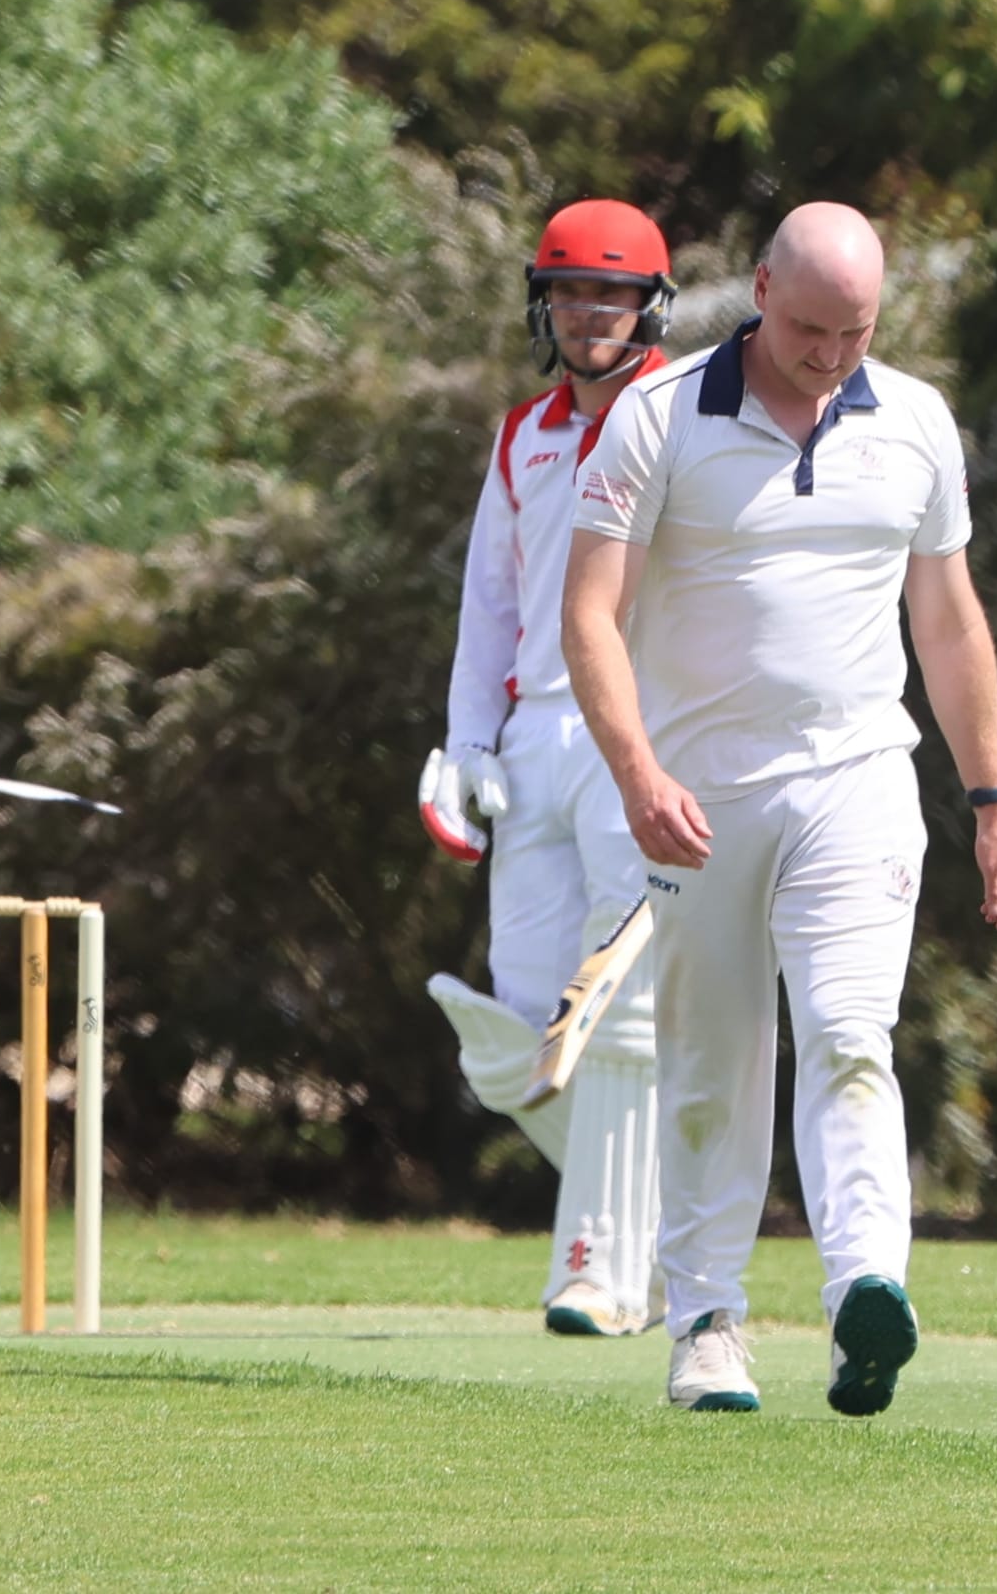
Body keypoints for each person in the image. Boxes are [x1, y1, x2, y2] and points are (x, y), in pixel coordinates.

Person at [560, 202, 997, 1414]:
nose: (832, 355)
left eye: (857, 331)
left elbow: (946, 621)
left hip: (859, 782)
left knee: (847, 1036)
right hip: (696, 798)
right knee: (714, 1063)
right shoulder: (654, 420)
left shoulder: (916, 420)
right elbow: (588, 616)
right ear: (759, 289)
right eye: (813, 327)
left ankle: (864, 1288)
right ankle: (707, 1326)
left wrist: (991, 799)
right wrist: (634, 773)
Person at [420, 199, 676, 1338]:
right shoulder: (522, 432)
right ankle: (673, 1242)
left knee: (615, 1018)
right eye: (571, 292)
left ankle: (593, 1271)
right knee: (519, 1031)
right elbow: (488, 602)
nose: (590, 314)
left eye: (611, 294)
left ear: (646, 307)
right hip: (530, 744)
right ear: (544, 304)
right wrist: (463, 741)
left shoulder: (684, 416)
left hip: (640, 733)